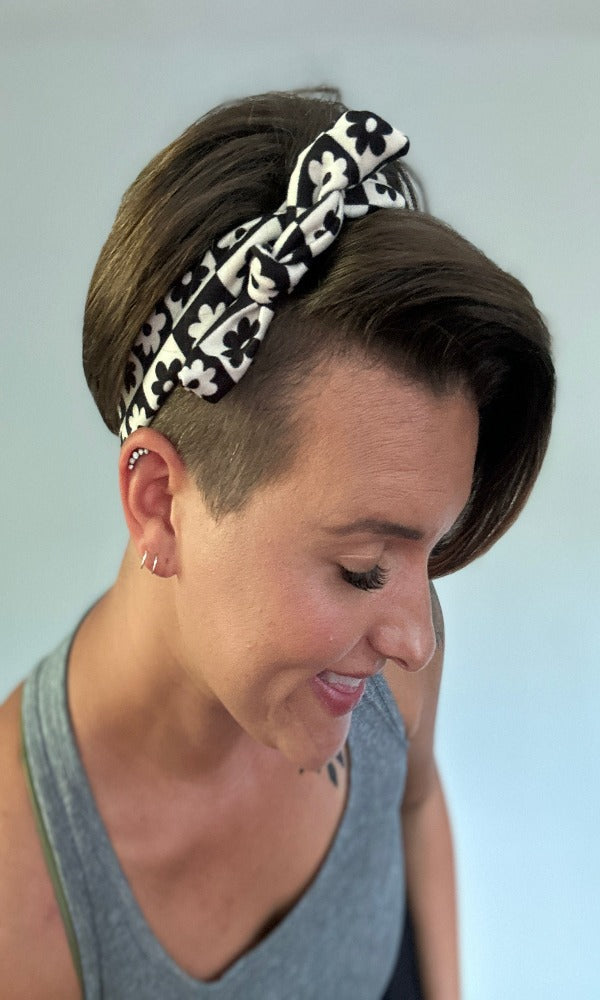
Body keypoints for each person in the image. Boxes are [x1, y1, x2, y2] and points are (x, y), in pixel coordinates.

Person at [0, 88, 554, 999]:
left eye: (428, 554)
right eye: (361, 568)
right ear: (158, 504)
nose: (415, 635)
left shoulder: (386, 657)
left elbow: (415, 808)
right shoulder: (25, 882)